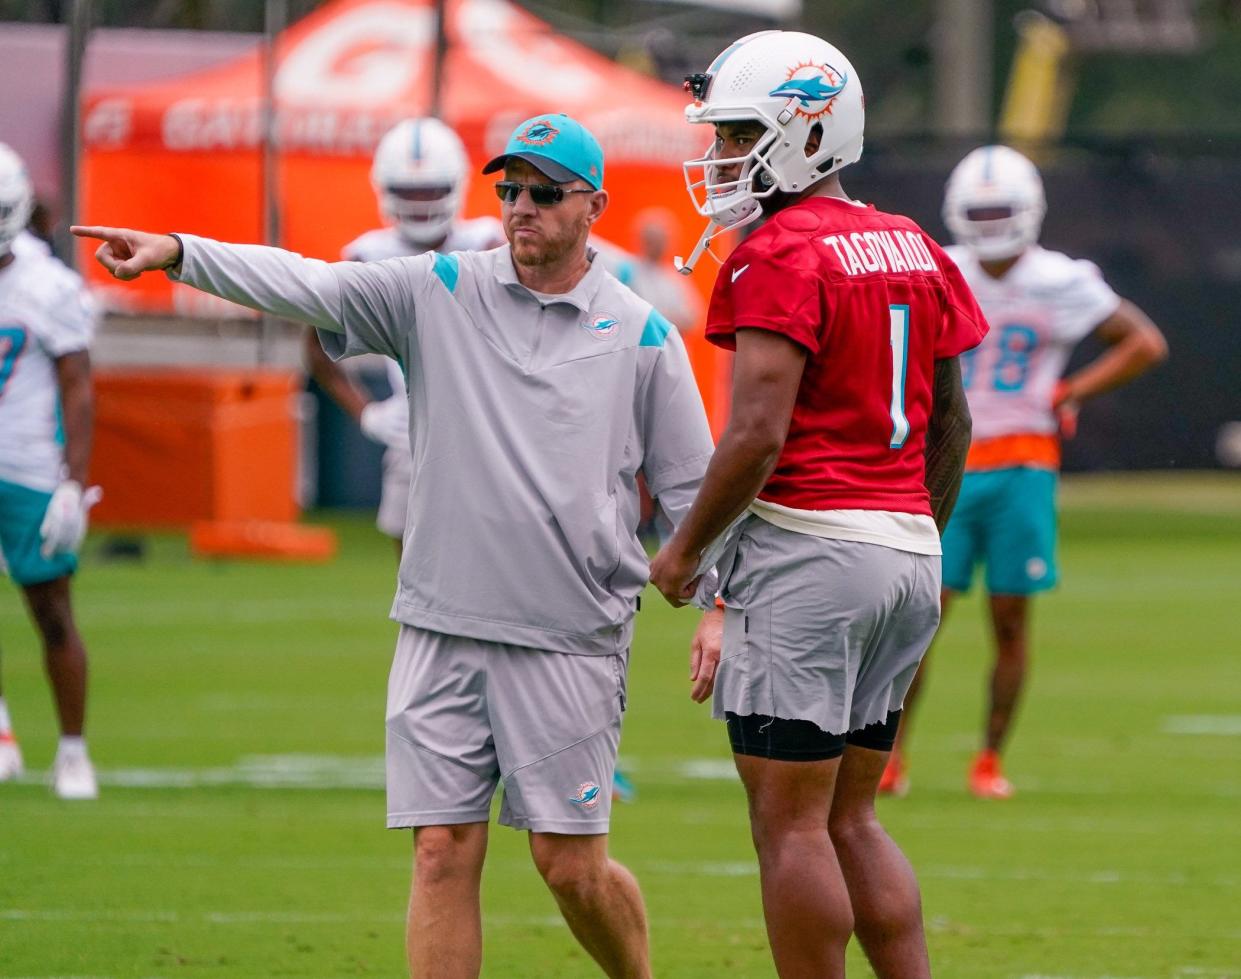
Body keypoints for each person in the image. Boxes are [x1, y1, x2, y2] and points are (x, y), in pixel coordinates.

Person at [75, 111, 714, 979]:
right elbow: (306, 284)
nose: (521, 207)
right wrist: (180, 250)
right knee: (440, 852)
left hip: (569, 637)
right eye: (510, 190)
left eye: (544, 193)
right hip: (439, 624)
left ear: (593, 205)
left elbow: (692, 490)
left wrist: (720, 607)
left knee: (569, 868)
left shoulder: (643, 335)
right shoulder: (437, 286)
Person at [648, 30, 987, 979]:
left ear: (806, 131)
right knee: (852, 816)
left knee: (789, 826)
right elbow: (952, 417)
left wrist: (683, 555)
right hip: (906, 549)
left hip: (810, 557)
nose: (718, 156)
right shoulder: (912, 241)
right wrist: (918, 527)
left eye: (738, 133)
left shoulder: (776, 253)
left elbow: (755, 431)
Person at [880, 145, 1169, 799]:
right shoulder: (941, 268)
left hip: (1023, 462)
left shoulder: (1060, 278)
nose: (988, 221)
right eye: (978, 209)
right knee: (922, 615)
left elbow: (1143, 342)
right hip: (945, 460)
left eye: (998, 209)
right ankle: (890, 755)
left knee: (1009, 618)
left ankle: (987, 758)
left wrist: (1069, 391)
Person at [304, 117, 505, 555]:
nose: (419, 203)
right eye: (409, 191)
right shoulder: (365, 256)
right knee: (414, 566)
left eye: (430, 190)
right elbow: (316, 349)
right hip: (414, 428)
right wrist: (366, 413)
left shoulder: (490, 241)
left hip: (493, 422)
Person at [0, 142, 102, 799]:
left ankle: (72, 749)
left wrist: (73, 481)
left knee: (52, 612)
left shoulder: (50, 286)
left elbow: (79, 387)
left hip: (29, 467)